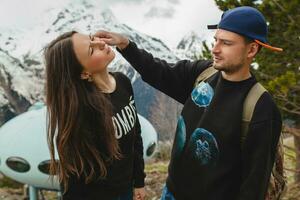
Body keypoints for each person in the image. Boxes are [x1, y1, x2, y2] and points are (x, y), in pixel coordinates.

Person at [94, 6, 283, 200]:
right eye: (216, 40)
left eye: (226, 43)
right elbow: (158, 71)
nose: (215, 49)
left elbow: (254, 185)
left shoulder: (260, 107)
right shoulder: (203, 74)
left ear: (252, 49)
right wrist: (126, 45)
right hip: (171, 193)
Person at [44, 31, 146, 200]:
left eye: (92, 38)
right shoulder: (82, 113)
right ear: (84, 73)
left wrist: (139, 182)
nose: (100, 44)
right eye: (91, 50)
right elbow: (73, 180)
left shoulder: (123, 82)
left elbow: (135, 136)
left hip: (127, 189)